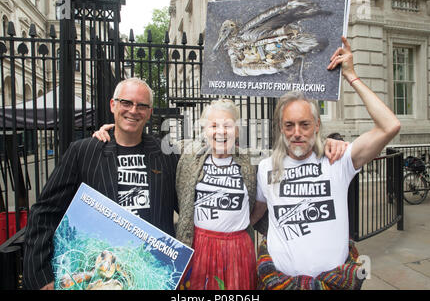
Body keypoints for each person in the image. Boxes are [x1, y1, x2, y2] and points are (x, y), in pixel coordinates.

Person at [93, 98, 348, 290]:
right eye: (214, 125)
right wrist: (112, 132)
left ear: (237, 130)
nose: (220, 131)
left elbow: (259, 203)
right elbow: (146, 144)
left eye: (227, 125)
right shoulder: (188, 159)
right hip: (198, 246)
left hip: (239, 249)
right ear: (205, 130)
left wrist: (329, 142)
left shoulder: (249, 165)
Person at [253, 36, 401, 290]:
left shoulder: (338, 160)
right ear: (281, 127)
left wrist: (351, 76)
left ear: (317, 126)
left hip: (334, 283)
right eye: (289, 125)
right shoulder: (266, 168)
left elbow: (390, 125)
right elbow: (255, 214)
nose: (296, 132)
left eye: (305, 124)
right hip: (277, 282)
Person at [23, 78, 179, 290]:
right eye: (126, 103)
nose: (133, 110)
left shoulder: (167, 155)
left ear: (150, 112)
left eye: (142, 105)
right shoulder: (83, 152)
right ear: (113, 105)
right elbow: (45, 212)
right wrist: (42, 277)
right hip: (100, 274)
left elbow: (191, 207)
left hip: (152, 277)